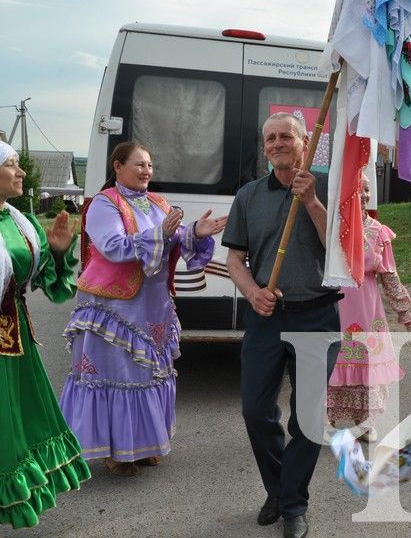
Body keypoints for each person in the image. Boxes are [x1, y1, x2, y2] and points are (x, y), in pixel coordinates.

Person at [59, 141, 225, 477]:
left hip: (154, 304)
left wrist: (194, 232)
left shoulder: (158, 202)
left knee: (148, 374)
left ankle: (145, 444)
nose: (147, 171)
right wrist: (160, 234)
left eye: (149, 165)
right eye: (139, 164)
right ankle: (117, 452)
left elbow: (173, 238)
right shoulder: (105, 205)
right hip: (115, 306)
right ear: (117, 167)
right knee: (117, 373)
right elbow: (114, 247)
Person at [223, 112, 341, 538]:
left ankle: (292, 504)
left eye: (286, 136)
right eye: (270, 138)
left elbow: (343, 251)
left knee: (307, 419)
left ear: (304, 141)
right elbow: (235, 259)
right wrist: (253, 291)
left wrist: (310, 202)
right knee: (255, 410)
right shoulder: (249, 196)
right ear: (264, 146)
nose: (277, 143)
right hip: (266, 318)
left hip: (317, 314)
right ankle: (279, 486)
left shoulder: (328, 188)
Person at [0, 142, 90, 529]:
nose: (21, 172)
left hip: (15, 338)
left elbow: (50, 287)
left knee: (16, 420)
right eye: (13, 165)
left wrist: (55, 252)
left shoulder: (20, 221)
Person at [327, 173, 411, 441]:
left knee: (366, 363)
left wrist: (404, 312)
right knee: (333, 362)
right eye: (358, 189)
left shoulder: (379, 233)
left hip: (367, 309)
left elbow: (390, 276)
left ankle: (364, 422)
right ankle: (329, 417)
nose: (365, 195)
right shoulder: (332, 229)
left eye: (367, 190)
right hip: (334, 306)